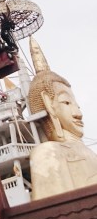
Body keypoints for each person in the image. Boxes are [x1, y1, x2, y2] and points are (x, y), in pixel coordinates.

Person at [27, 39, 97, 201]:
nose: (78, 113)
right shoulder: (48, 154)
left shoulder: (90, 154)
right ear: (49, 104)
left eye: (77, 105)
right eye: (66, 102)